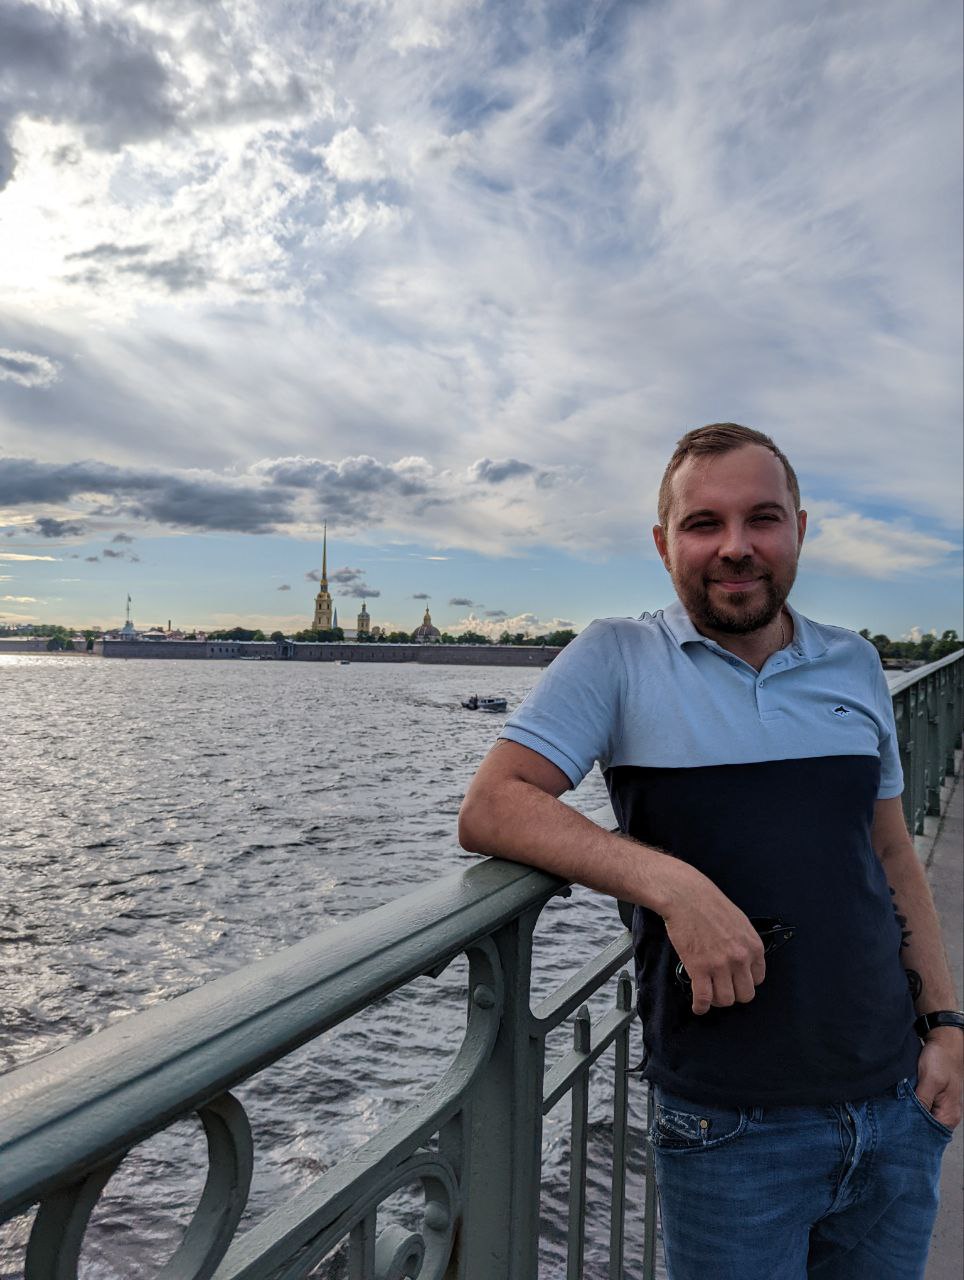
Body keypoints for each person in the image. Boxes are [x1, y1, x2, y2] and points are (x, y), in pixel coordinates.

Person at [458, 423, 962, 1279]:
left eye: (762, 518)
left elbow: (889, 852)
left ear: (799, 530)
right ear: (664, 545)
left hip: (895, 1099)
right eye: (704, 523)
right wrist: (670, 883)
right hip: (731, 1128)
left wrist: (945, 1027)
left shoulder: (854, 663)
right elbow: (494, 804)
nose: (736, 547)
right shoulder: (618, 656)